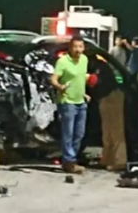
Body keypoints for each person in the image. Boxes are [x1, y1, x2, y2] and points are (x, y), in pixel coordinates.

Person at [50, 35, 91, 174]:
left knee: (79, 134)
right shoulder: (63, 61)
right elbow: (53, 79)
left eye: (81, 47)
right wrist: (60, 87)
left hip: (81, 101)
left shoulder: (84, 60)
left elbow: (80, 79)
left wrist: (84, 94)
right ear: (70, 48)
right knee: (68, 133)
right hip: (67, 102)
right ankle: (69, 161)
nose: (78, 50)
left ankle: (69, 160)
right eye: (75, 47)